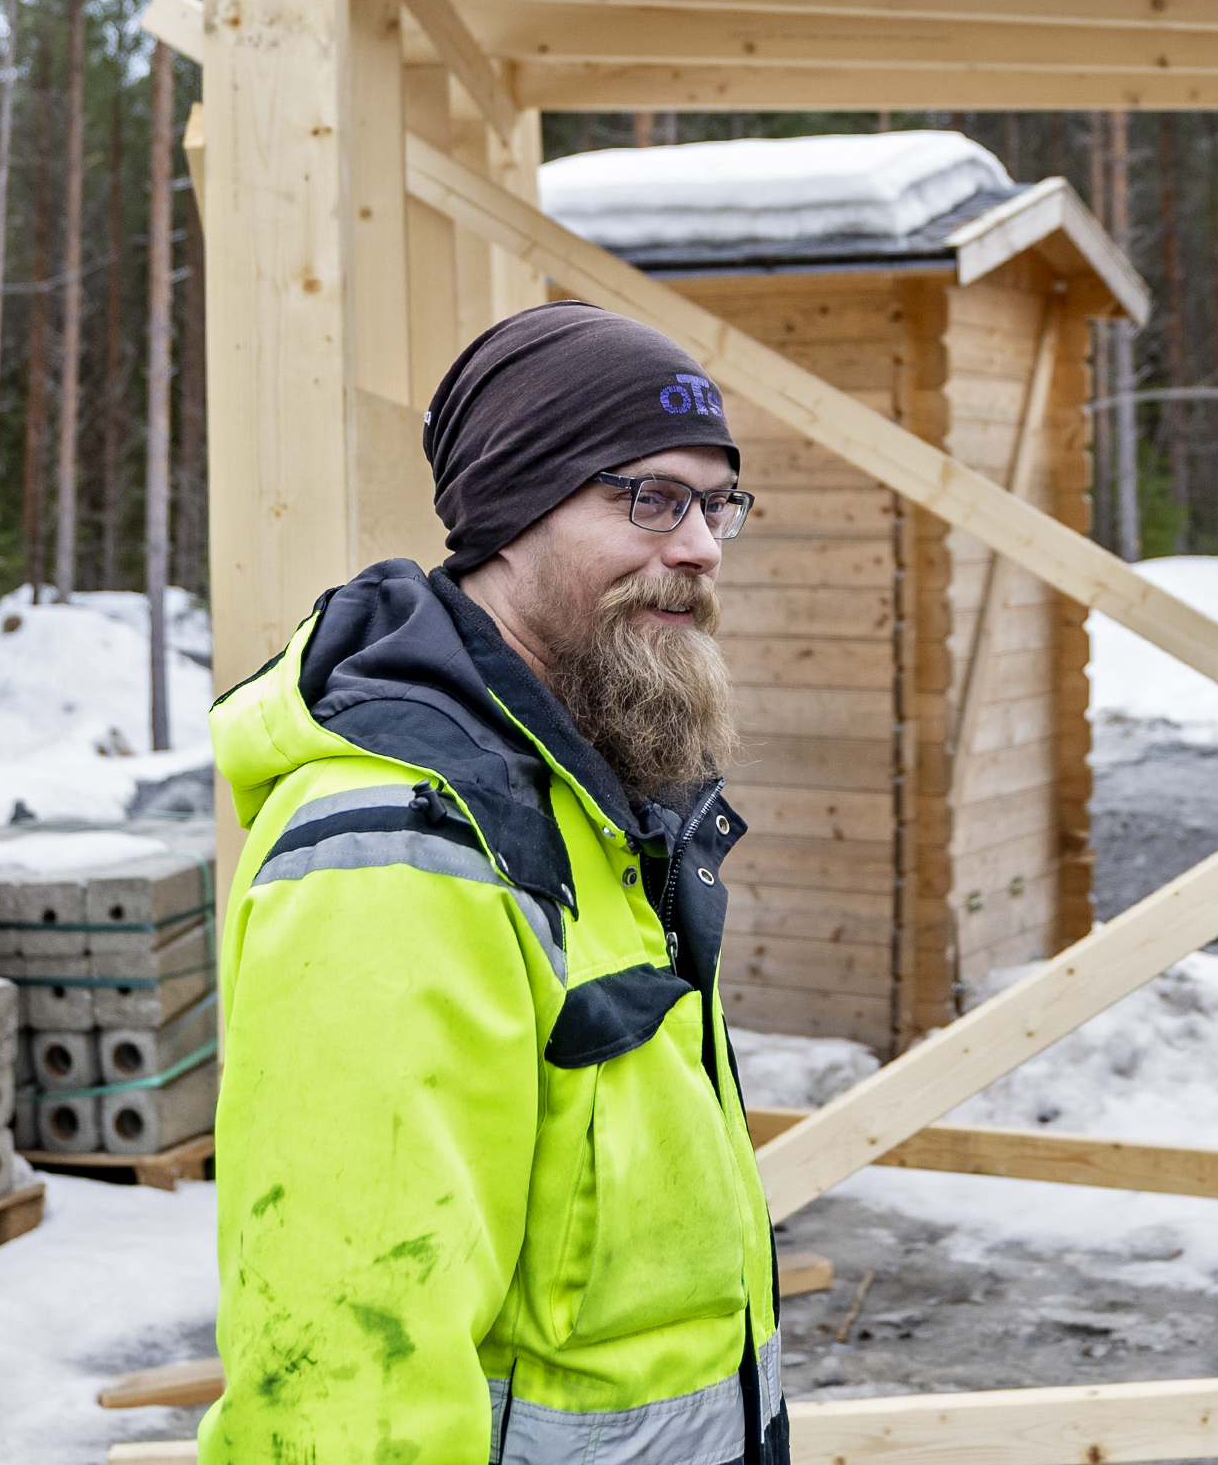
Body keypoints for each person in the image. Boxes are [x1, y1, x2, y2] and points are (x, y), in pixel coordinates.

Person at [201, 301, 787, 1463]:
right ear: (513, 512)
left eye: (717, 504)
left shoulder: (591, 802)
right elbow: (348, 1379)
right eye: (650, 499)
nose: (702, 548)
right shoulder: (399, 846)